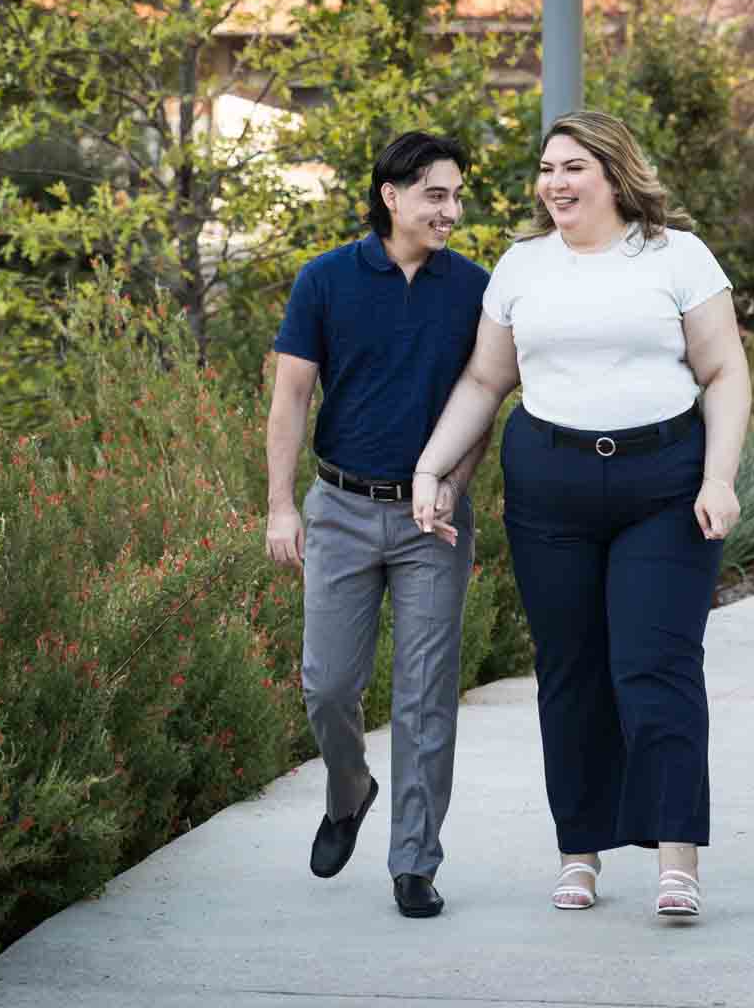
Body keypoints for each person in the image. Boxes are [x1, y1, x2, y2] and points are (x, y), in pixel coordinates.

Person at [412, 109, 750, 923]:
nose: (555, 184)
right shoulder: (523, 265)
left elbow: (724, 371)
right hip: (550, 486)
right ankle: (580, 852)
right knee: (570, 672)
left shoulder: (676, 255)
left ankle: (676, 860)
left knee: (655, 666)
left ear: (612, 173)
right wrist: (433, 467)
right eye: (546, 169)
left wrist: (719, 478)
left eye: (572, 168)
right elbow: (486, 383)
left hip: (664, 486)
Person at [266, 130, 490, 920]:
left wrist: (452, 488)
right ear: (390, 196)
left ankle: (414, 863)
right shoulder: (324, 279)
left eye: (457, 195)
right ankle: (348, 787)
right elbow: (290, 395)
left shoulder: (474, 289)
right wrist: (281, 505)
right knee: (327, 685)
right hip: (340, 510)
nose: (451, 210)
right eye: (437, 194)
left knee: (425, 698)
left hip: (433, 524)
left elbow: (483, 399)